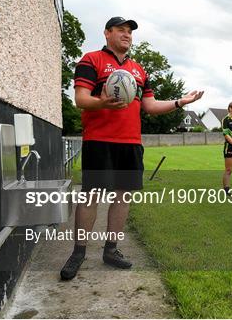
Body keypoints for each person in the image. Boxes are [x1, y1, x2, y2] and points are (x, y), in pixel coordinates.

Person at [60, 16, 204, 280]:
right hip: (99, 141)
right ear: (107, 33)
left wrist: (180, 101)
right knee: (91, 196)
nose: (127, 35)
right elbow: (81, 99)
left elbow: (149, 106)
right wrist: (102, 103)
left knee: (123, 196)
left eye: (130, 32)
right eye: (121, 30)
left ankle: (111, 250)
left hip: (130, 143)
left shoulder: (139, 70)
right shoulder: (91, 60)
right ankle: (78, 252)